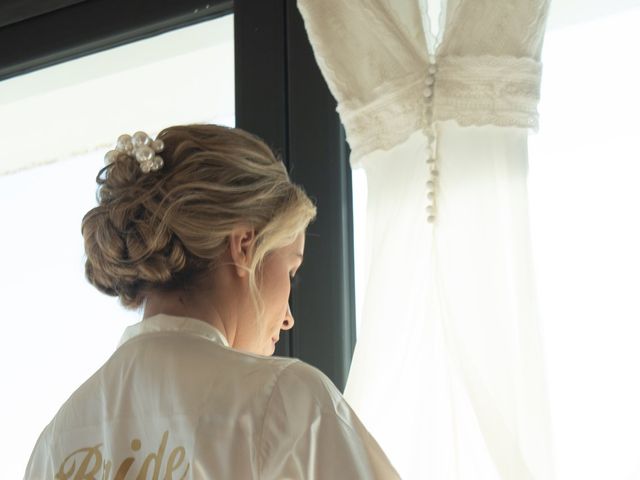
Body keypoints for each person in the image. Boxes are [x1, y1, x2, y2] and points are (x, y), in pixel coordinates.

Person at [24, 124, 399, 479]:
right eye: (290, 270)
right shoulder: (285, 402)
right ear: (245, 247)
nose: (288, 318)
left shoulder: (55, 441)